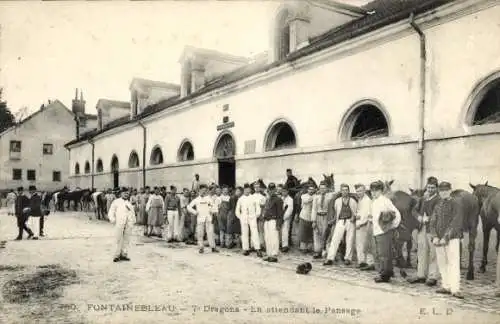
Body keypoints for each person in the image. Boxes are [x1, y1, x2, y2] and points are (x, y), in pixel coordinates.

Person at [430, 181, 464, 299]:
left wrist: (446, 237)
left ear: (450, 191)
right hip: (438, 239)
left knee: (453, 263)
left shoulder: (456, 204)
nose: (443, 193)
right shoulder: (438, 205)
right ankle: (446, 286)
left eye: (446, 190)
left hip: (452, 238)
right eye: (441, 191)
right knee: (442, 263)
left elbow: (456, 222)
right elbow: (432, 221)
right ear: (439, 192)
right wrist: (434, 236)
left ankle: (455, 289)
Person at [408, 177, 440, 286]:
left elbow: (440, 214)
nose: (430, 190)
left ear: (436, 188)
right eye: (429, 187)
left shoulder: (439, 200)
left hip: (433, 230)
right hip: (422, 228)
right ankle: (421, 274)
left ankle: (432, 276)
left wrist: (429, 218)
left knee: (433, 253)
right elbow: (414, 210)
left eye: (433, 188)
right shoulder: (423, 199)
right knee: (421, 251)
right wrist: (419, 217)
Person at [370, 180, 401, 283]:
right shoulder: (374, 201)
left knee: (384, 254)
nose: (374, 193)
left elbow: (397, 214)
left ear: (381, 191)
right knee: (380, 253)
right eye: (372, 190)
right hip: (377, 231)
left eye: (376, 190)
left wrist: (392, 226)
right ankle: (387, 271)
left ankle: (384, 275)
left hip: (384, 232)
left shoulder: (385, 200)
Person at [324, 184, 358, 266]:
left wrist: (354, 218)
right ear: (341, 191)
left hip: (350, 221)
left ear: (348, 191)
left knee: (349, 240)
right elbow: (336, 212)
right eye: (343, 190)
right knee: (335, 239)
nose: (344, 192)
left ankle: (348, 258)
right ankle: (330, 258)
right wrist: (334, 221)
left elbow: (356, 212)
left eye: (346, 190)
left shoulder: (353, 201)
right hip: (340, 221)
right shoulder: (337, 201)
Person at [187, 184, 219, 254]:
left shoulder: (208, 199)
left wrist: (212, 211)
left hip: (208, 218)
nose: (204, 192)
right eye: (202, 190)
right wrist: (195, 212)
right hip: (200, 219)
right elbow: (188, 207)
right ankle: (201, 247)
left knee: (210, 233)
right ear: (199, 190)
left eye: (205, 191)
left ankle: (213, 247)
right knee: (200, 233)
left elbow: (213, 207)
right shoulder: (196, 200)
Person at [108, 187, 136, 262]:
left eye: (127, 193)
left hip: (128, 223)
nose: (126, 195)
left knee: (126, 239)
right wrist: (113, 219)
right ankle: (116, 255)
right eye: (124, 193)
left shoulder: (129, 203)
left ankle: (124, 254)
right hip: (119, 223)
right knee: (118, 239)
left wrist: (133, 221)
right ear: (121, 194)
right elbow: (111, 212)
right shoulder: (116, 202)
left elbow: (132, 213)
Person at [236, 183, 263, 257]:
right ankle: (246, 249)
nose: (247, 190)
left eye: (248, 189)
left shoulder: (254, 198)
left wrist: (256, 215)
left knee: (255, 233)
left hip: (252, 217)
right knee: (244, 233)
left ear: (250, 189)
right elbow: (237, 210)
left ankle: (258, 249)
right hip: (244, 218)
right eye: (246, 189)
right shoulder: (240, 199)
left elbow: (258, 208)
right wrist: (240, 217)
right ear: (244, 190)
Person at [311, 182, 335, 259]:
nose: (322, 190)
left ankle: (325, 251)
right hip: (318, 216)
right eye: (321, 188)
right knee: (317, 233)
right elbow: (314, 209)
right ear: (319, 189)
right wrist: (313, 221)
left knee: (326, 234)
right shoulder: (316, 197)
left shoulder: (330, 196)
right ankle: (317, 251)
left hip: (326, 217)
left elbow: (337, 193)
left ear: (327, 189)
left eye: (324, 188)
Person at [354, 184, 374, 270]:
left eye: (360, 191)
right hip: (359, 224)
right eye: (357, 191)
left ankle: (370, 263)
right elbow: (360, 213)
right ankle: (362, 261)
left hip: (365, 225)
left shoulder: (367, 200)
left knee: (366, 244)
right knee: (360, 244)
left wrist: (361, 224)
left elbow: (367, 214)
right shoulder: (360, 200)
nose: (358, 193)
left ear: (364, 191)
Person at [262, 183, 283, 262]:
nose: (271, 191)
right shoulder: (268, 199)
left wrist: (278, 224)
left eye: (272, 189)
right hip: (267, 221)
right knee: (267, 238)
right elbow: (266, 209)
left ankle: (274, 255)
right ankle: (269, 253)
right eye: (269, 189)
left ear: (275, 190)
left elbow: (280, 214)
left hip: (273, 220)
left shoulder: (278, 200)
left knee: (274, 238)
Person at [298, 184, 315, 252]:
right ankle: (303, 247)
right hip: (304, 216)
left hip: (311, 217)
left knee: (310, 232)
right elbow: (307, 200)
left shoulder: (315, 196)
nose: (311, 191)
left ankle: (309, 247)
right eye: (309, 189)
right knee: (303, 232)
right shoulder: (303, 196)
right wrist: (315, 196)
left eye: (312, 189)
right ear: (307, 190)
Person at [280, 186, 294, 253]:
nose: (283, 192)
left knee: (285, 231)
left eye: (285, 191)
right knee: (280, 231)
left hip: (286, 218)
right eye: (283, 191)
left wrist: (284, 218)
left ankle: (285, 246)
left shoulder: (290, 199)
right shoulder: (281, 198)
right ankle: (281, 244)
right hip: (280, 217)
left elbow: (289, 210)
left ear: (287, 192)